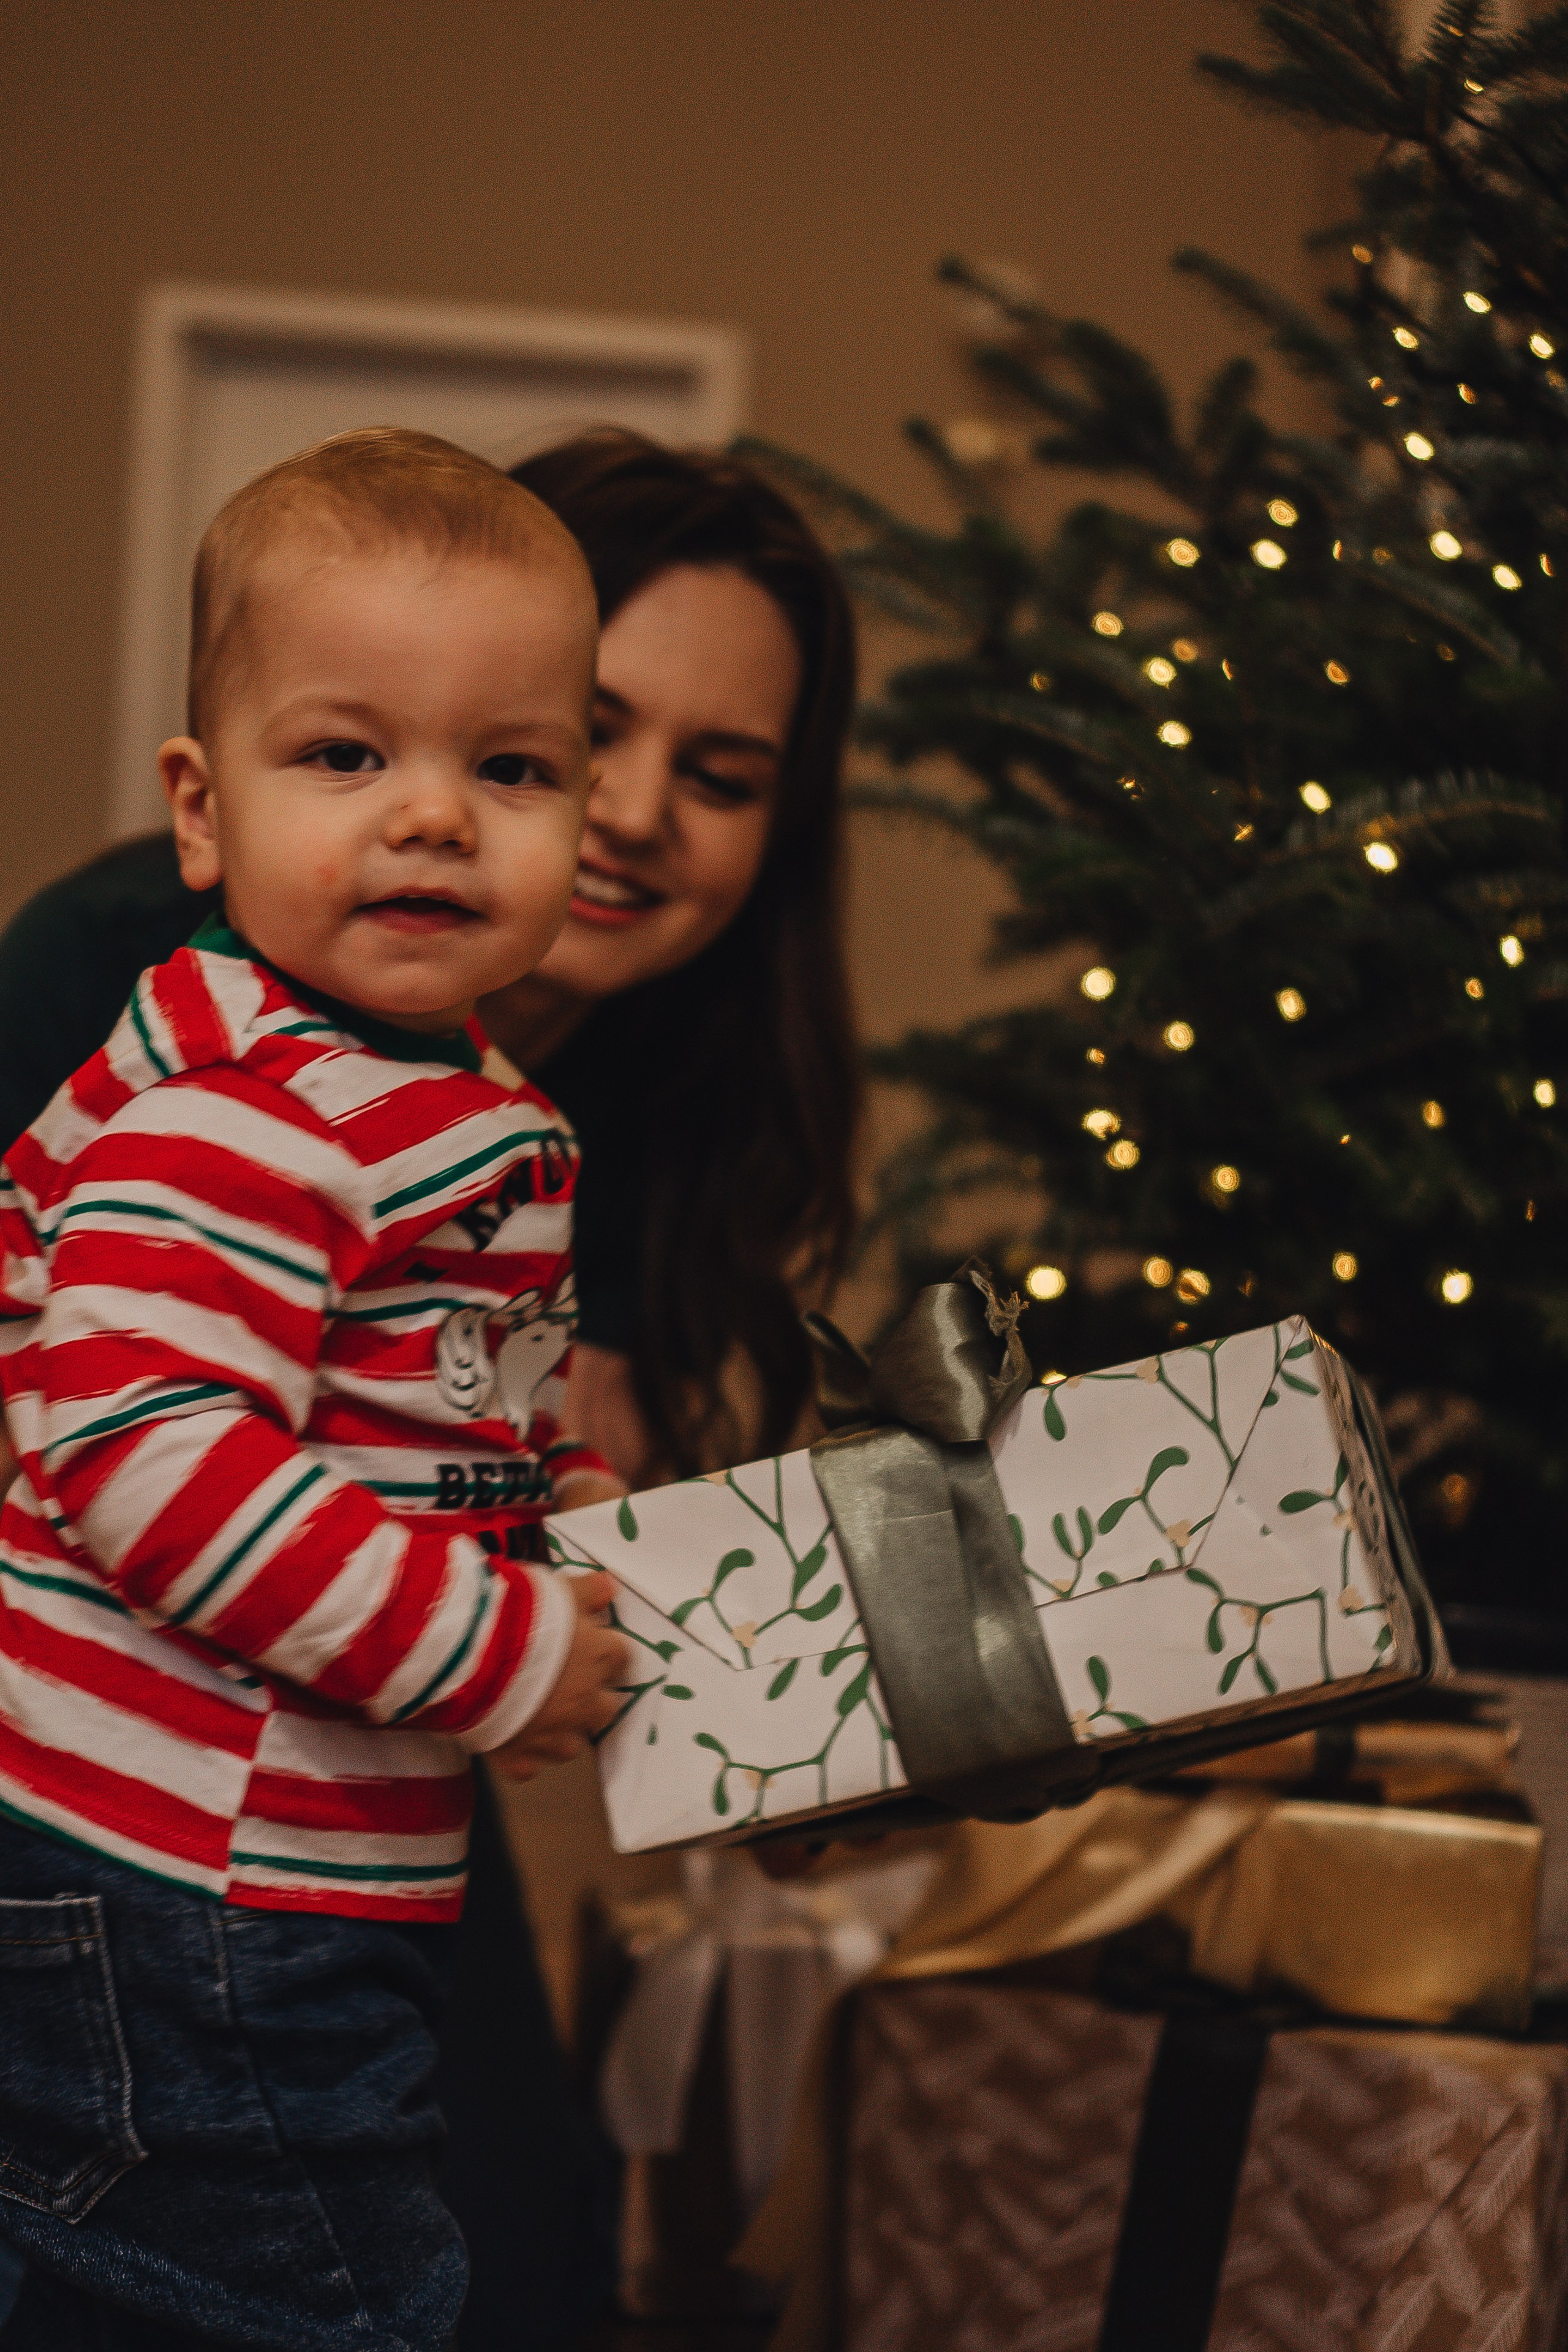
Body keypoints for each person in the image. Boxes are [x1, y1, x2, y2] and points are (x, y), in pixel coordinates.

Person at [0, 428, 861, 2346]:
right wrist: (488, 1645)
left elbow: (455, 1418)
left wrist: (554, 1504)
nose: (444, 817)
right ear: (205, 814)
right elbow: (146, 1450)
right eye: (351, 753)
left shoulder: (482, 1103)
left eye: (512, 767)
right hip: (184, 1849)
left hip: (324, 1813)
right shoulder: (241, 1103)